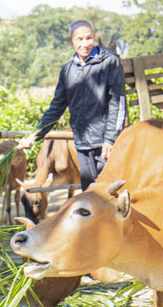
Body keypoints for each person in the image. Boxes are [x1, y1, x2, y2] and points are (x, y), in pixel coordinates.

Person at [19, 20, 125, 191]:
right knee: (89, 195)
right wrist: (35, 135)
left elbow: (118, 104)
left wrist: (110, 139)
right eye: (80, 39)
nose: (85, 44)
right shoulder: (68, 71)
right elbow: (56, 108)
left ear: (94, 37)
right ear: (71, 41)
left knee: (109, 194)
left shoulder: (110, 63)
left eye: (89, 38)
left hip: (106, 145)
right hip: (82, 146)